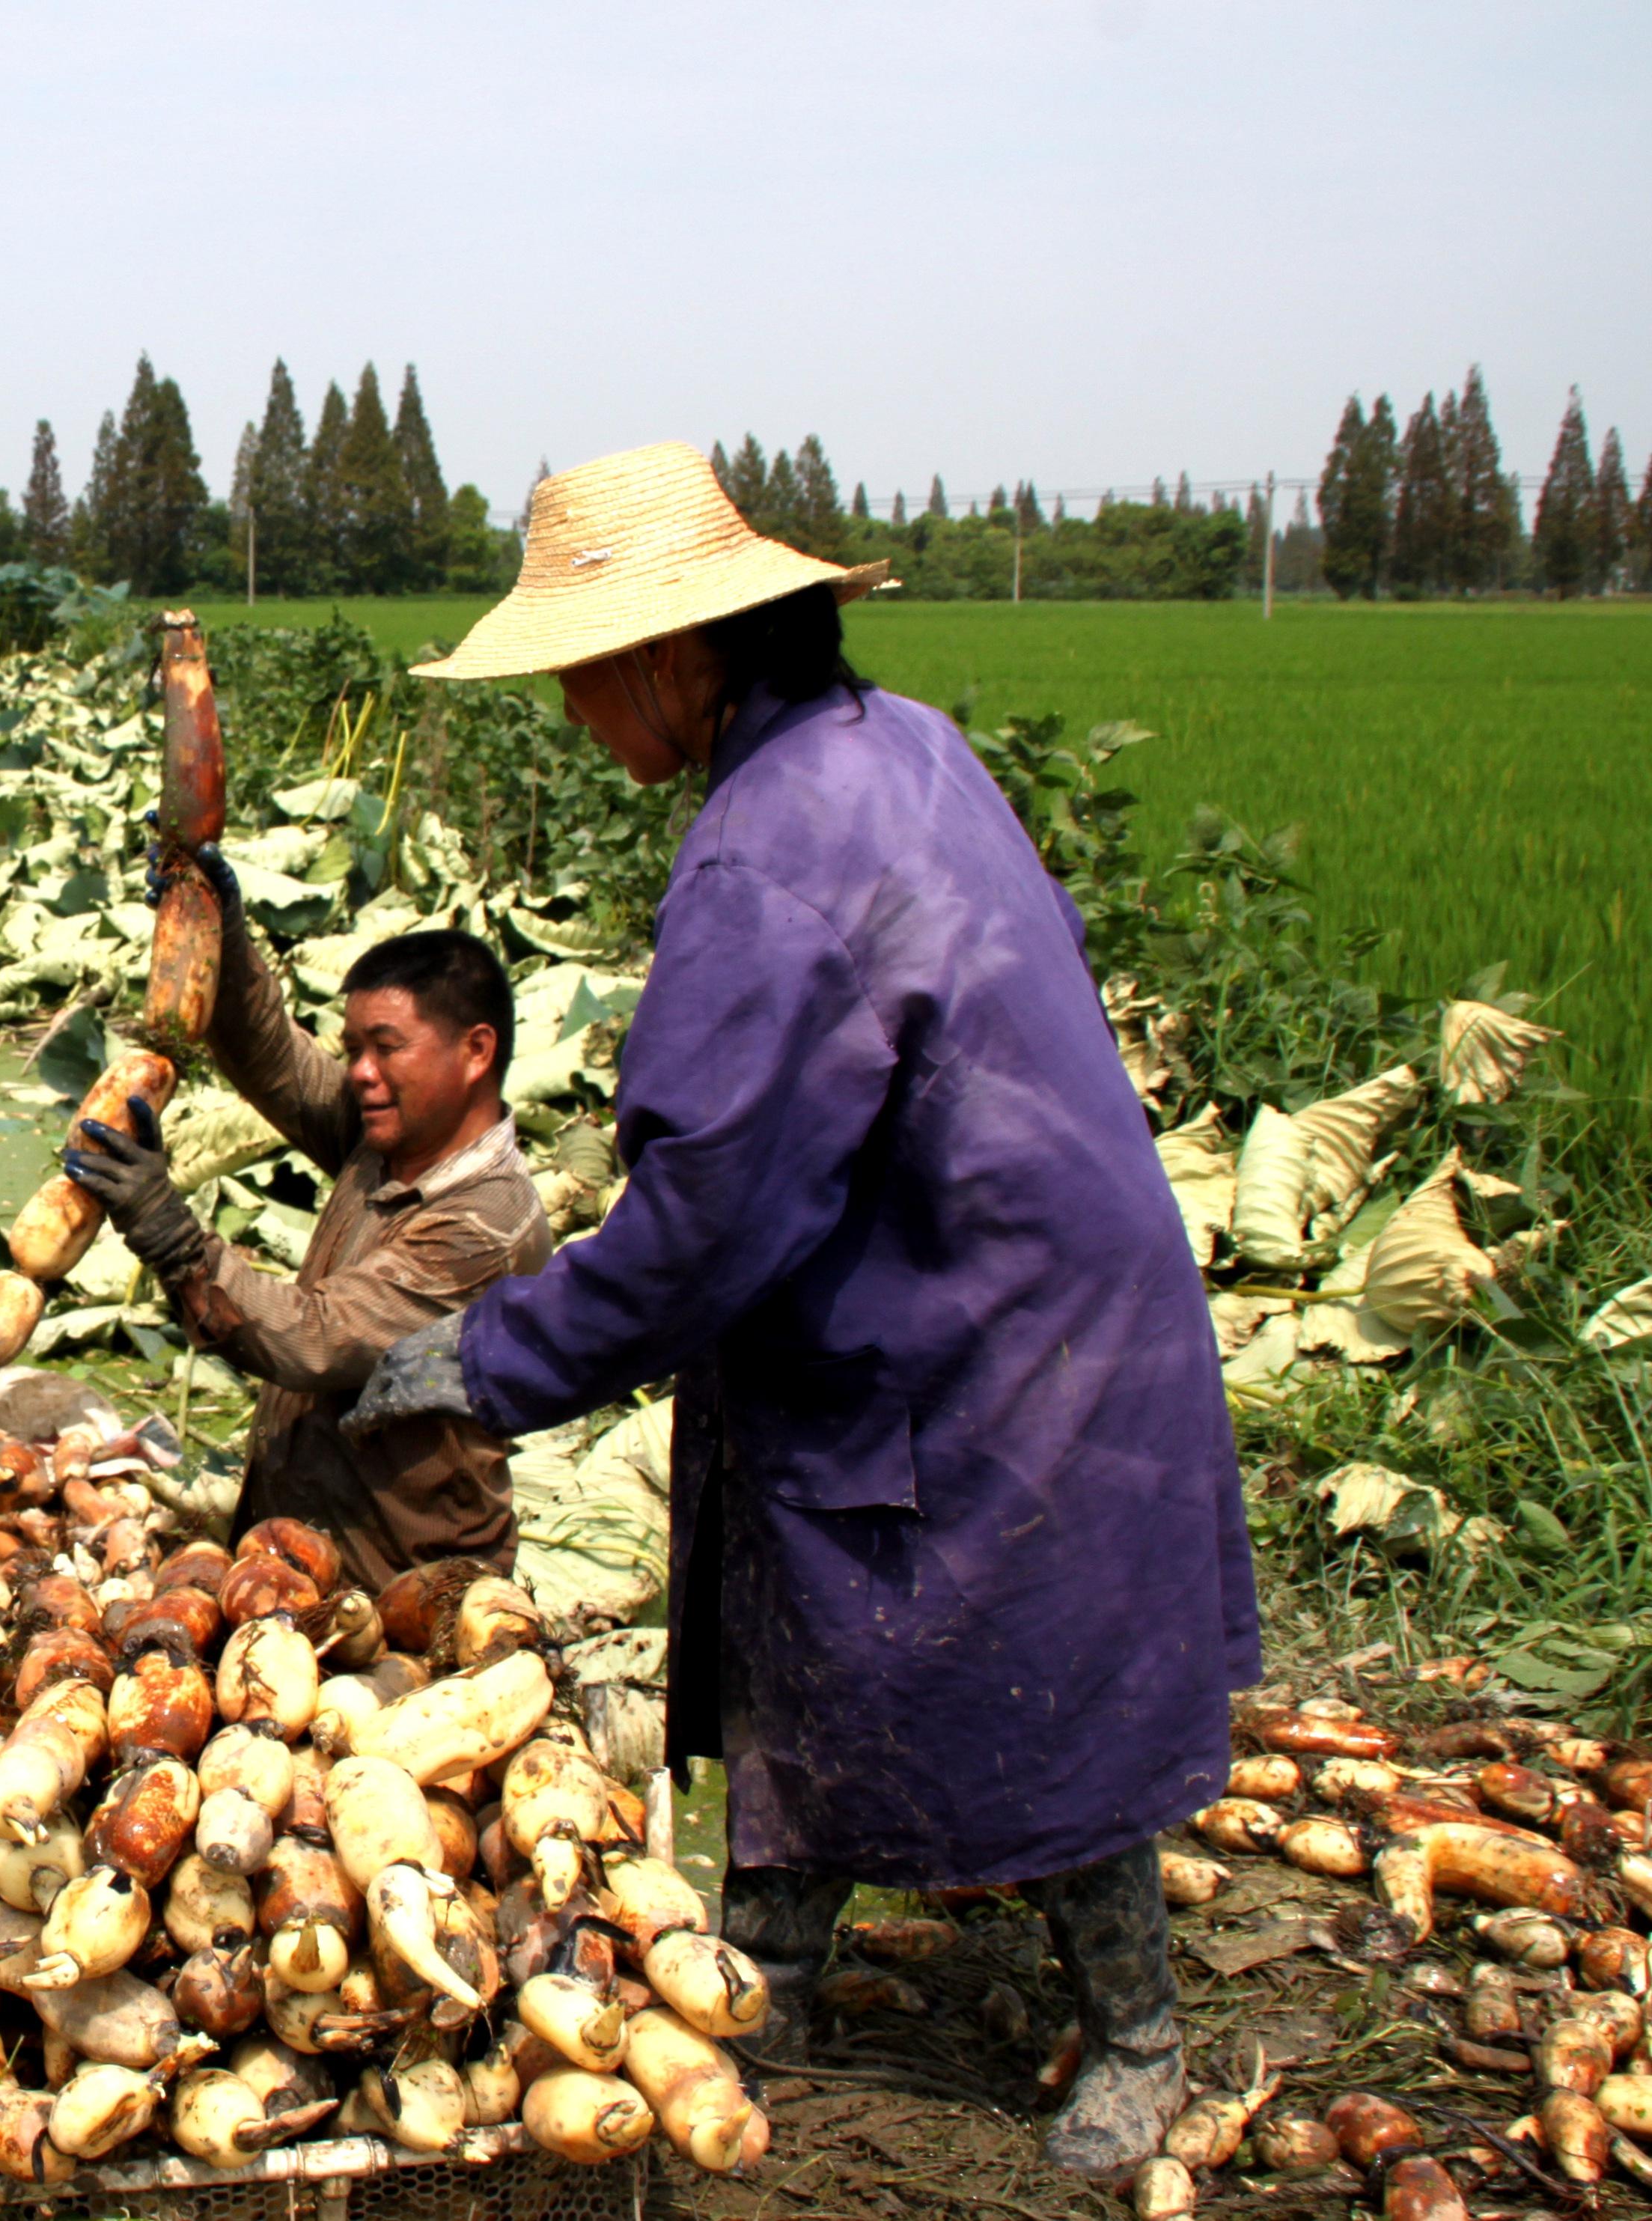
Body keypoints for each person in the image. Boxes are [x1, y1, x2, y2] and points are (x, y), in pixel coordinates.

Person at [344, 444, 1254, 2174]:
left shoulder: (767, 857)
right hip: (984, 1267)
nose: (573, 720)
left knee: (1016, 1650)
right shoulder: (887, 741)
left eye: (580, 680)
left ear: (671, 656)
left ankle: (1137, 2028)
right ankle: (771, 1958)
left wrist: (481, 1352)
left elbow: (704, 1220)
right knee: (795, 1610)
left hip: (990, 1316)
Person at [61, 911, 550, 1597]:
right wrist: (216, 933)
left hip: (397, 1583)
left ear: (475, 1051)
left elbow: (314, 1336)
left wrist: (171, 1233)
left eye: (387, 1047)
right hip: (296, 1550)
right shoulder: (390, 1139)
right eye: (353, 1049)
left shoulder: (484, 1223)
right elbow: (275, 1059)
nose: (362, 1073)